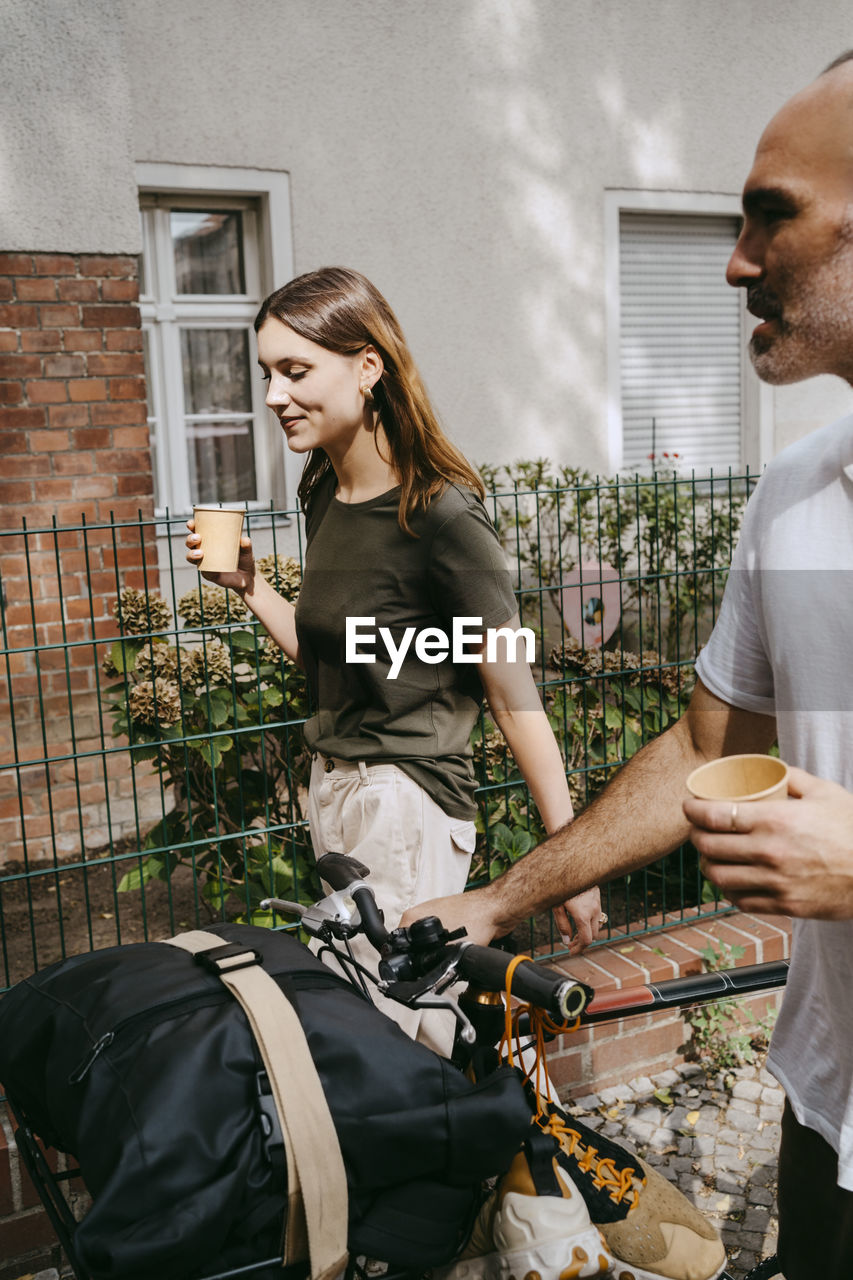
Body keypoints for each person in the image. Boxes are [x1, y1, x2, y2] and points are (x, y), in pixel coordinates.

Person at [405, 52, 853, 1280]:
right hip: (829, 1114)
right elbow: (712, 746)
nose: (735, 260)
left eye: (773, 214)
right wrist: (503, 898)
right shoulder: (797, 489)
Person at [186, 265, 602, 1054]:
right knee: (372, 1016)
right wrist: (251, 588)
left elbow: (515, 697)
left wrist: (569, 863)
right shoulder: (324, 493)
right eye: (267, 373)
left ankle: (484, 1157)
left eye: (296, 371)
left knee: (391, 1027)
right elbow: (329, 665)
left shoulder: (442, 518)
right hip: (336, 789)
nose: (274, 395)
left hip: (404, 800)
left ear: (367, 367)